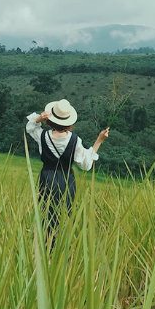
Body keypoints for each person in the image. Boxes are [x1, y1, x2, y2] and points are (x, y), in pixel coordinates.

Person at [25, 98, 109, 246]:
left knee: (45, 212)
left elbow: (30, 127)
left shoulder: (42, 136)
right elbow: (86, 164)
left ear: (50, 119)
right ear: (69, 122)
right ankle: (59, 248)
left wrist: (39, 117)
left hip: (47, 177)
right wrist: (99, 141)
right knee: (64, 214)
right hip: (66, 180)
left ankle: (43, 246)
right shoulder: (75, 140)